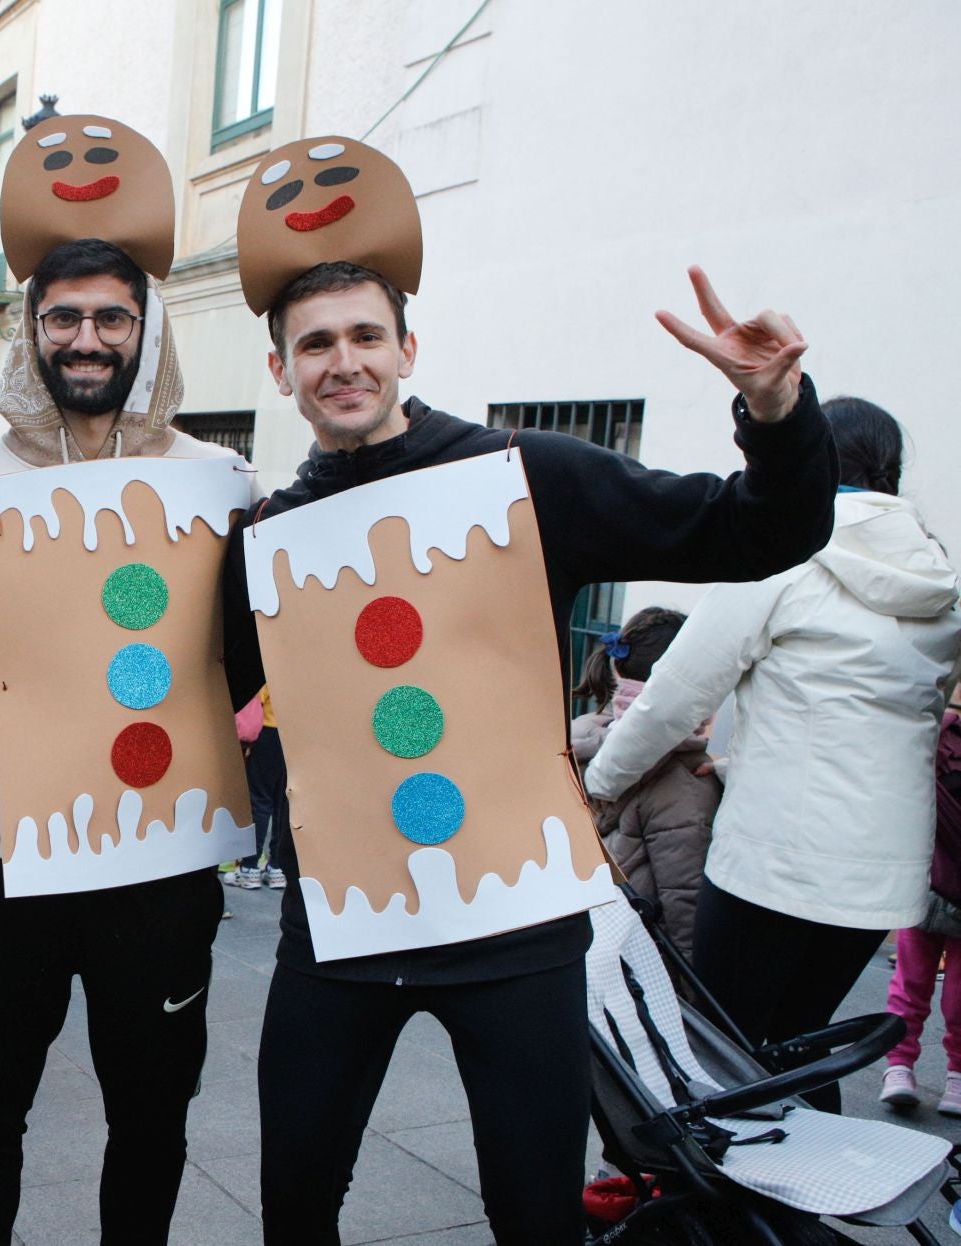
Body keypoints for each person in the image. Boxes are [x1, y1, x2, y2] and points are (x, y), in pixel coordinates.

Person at [222, 128, 836, 1246]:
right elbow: (201, 684)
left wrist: (777, 414)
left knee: (534, 1214)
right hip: (343, 928)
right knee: (294, 1200)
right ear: (281, 370)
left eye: (367, 335)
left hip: (515, 926)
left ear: (408, 347)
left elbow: (761, 530)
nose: (342, 361)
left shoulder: (522, 480)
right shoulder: (273, 531)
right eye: (315, 345)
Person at [0, 226, 243, 1238]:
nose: (88, 337)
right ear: (32, 332)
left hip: (160, 862)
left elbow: (245, 652)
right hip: (4, 849)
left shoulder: (219, 483)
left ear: (145, 332)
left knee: (152, 1118)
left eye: (113, 316)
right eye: (63, 316)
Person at [587, 395, 961, 1113]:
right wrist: (737, 765)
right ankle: (803, 1207)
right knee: (807, 1041)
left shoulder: (787, 554)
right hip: (882, 873)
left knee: (724, 1043)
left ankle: (722, 1210)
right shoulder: (936, 579)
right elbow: (884, 719)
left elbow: (673, 695)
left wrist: (601, 782)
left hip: (775, 861)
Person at [570, 608, 720, 956]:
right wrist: (691, 1001)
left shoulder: (572, 743)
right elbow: (686, 907)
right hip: (636, 970)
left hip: (573, 954)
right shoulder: (686, 782)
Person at [881, 704, 961, 1114]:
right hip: (927, 878)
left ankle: (956, 1074)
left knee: (957, 996)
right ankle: (899, 1066)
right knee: (911, 982)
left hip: (930, 876)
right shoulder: (940, 732)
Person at [232, 687, 291, 890]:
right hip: (291, 736)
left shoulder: (271, 665)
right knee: (281, 803)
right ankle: (276, 867)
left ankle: (249, 867)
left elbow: (256, 698)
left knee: (259, 801)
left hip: (266, 734)